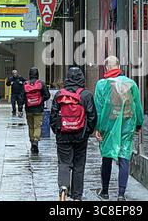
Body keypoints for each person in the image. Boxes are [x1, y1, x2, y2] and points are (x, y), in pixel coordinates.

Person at [94, 56, 144, 201]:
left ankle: (105, 191)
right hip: (126, 126)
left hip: (108, 126)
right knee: (124, 158)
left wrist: (97, 127)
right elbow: (138, 107)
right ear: (118, 66)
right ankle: (121, 194)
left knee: (107, 157)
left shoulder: (101, 84)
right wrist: (139, 124)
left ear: (107, 67)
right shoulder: (131, 84)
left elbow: (98, 108)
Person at [50, 67, 97, 201]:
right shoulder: (86, 95)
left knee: (64, 163)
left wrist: (58, 131)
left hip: (63, 135)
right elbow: (92, 116)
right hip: (80, 135)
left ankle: (63, 187)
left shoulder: (60, 94)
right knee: (78, 165)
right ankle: (77, 196)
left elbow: (53, 116)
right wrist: (86, 132)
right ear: (81, 78)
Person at [23, 67, 50, 154]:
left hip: (28, 109)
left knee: (31, 127)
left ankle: (32, 142)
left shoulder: (25, 84)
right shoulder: (41, 84)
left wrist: (20, 107)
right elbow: (47, 95)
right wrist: (41, 100)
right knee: (37, 126)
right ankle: (35, 141)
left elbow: (22, 97)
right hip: (39, 109)